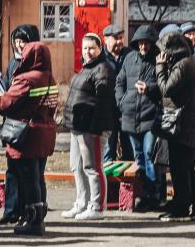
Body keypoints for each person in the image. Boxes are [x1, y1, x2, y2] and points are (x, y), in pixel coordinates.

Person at [0, 40, 57, 236]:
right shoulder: (50, 79)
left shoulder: (26, 79)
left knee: (29, 180)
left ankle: (33, 222)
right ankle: (40, 219)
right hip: (45, 132)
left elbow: (5, 104)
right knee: (38, 177)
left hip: (27, 135)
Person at [155, 27, 195, 222]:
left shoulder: (184, 65)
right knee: (186, 168)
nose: (161, 55)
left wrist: (160, 67)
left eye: (163, 51)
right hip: (186, 123)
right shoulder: (185, 63)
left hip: (185, 125)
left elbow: (166, 88)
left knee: (180, 169)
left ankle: (181, 208)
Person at [61, 32, 116, 220]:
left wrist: (95, 128)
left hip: (92, 128)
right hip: (77, 126)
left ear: (100, 48)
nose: (87, 52)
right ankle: (81, 202)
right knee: (76, 166)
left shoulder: (103, 70)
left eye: (92, 48)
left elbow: (103, 103)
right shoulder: (86, 68)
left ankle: (97, 206)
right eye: (85, 48)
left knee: (92, 167)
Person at [0, 23, 39, 226]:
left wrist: (8, 98)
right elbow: (7, 85)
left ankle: (30, 214)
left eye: (24, 41)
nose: (20, 45)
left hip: (27, 126)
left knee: (29, 173)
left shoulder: (36, 64)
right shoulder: (13, 62)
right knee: (12, 170)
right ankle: (11, 212)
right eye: (17, 41)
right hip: (11, 124)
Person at [115, 25, 166, 211]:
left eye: (146, 43)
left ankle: (155, 195)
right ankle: (146, 194)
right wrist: (121, 102)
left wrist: (149, 89)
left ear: (152, 44)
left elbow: (165, 86)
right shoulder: (130, 58)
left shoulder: (159, 59)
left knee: (150, 155)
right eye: (140, 43)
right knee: (139, 158)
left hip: (150, 116)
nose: (143, 46)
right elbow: (120, 82)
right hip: (130, 116)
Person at [101, 23, 135, 163]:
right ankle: (108, 177)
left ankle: (129, 177)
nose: (120, 41)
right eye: (116, 38)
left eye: (121, 37)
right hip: (107, 110)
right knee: (108, 151)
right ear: (106, 39)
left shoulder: (130, 55)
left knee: (129, 150)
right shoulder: (100, 57)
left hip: (126, 109)